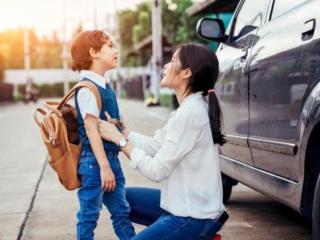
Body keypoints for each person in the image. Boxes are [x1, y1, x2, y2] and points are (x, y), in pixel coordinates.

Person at [98, 43, 227, 239]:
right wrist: (123, 133)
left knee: (117, 195)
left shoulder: (190, 115)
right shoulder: (187, 110)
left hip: (194, 217)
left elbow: (157, 170)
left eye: (173, 61)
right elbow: (157, 146)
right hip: (181, 205)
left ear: (186, 73)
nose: (166, 66)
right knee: (117, 196)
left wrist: (119, 141)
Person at [70, 30, 135, 240]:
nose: (116, 51)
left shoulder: (104, 86)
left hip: (110, 161)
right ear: (94, 52)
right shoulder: (88, 88)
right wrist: (105, 168)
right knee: (89, 216)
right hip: (95, 164)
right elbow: (91, 129)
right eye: (110, 46)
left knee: (122, 213)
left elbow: (105, 125)